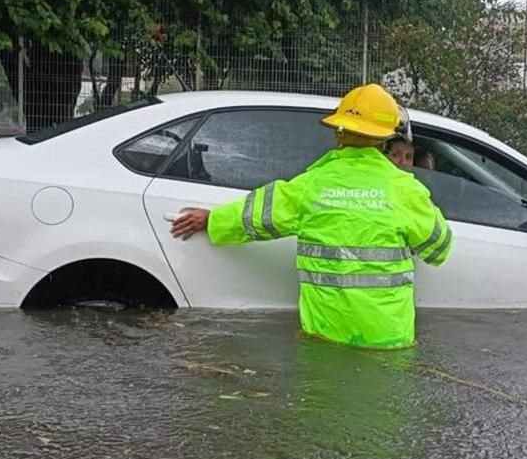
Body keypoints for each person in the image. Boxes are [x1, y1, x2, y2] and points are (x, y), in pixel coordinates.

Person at [170, 83, 453, 349]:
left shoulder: (310, 185)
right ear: (385, 137)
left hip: (324, 334)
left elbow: (255, 216)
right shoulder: (405, 190)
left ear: (340, 132)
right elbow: (439, 248)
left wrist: (211, 219)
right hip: (388, 339)